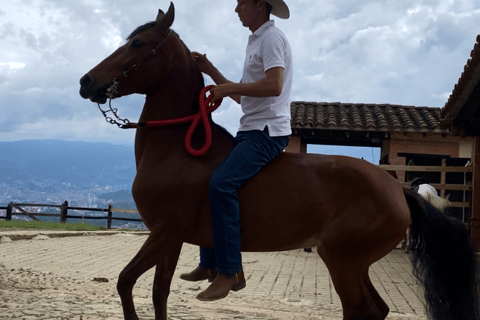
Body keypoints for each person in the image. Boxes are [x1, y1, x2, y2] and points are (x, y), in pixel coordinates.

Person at [180, 0, 293, 302]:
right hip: (252, 128)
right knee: (209, 176)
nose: (236, 9)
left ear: (259, 5)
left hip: (266, 132)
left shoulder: (271, 38)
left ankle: (230, 272)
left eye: (241, 2)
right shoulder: (257, 40)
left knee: (221, 184)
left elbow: (274, 85)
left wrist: (227, 88)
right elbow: (245, 100)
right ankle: (209, 264)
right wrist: (210, 69)